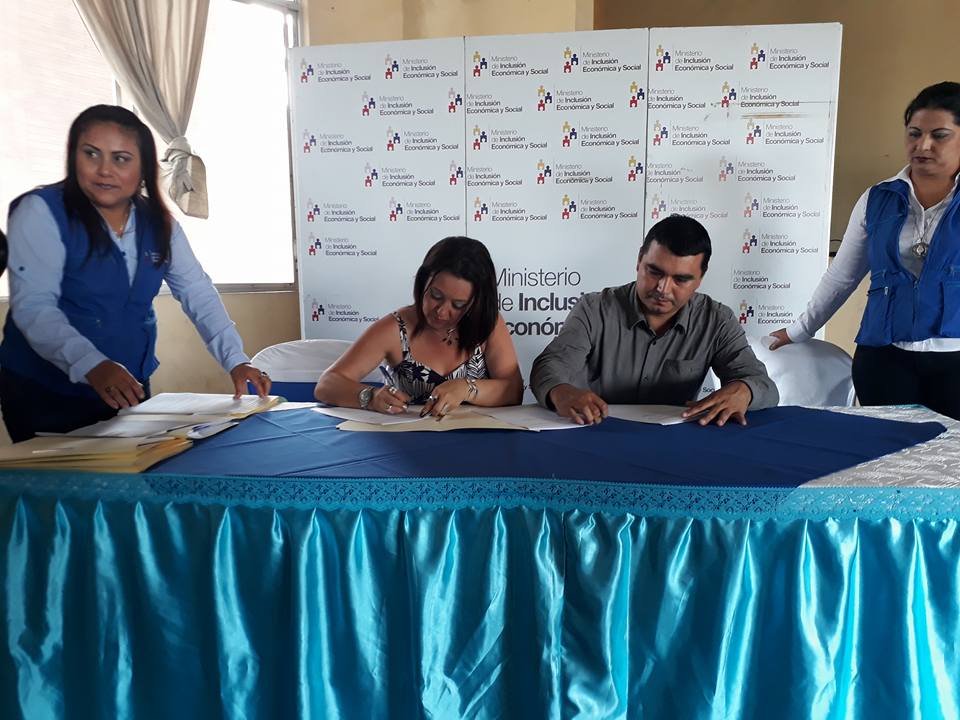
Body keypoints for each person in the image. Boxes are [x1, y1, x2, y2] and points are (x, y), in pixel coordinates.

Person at [0, 105, 270, 442]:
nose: (104, 170)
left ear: (143, 168)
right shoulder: (40, 212)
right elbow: (34, 307)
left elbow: (197, 292)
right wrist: (91, 363)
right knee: (65, 476)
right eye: (91, 154)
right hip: (45, 391)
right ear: (73, 156)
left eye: (121, 159)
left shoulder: (159, 224)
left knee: (135, 472)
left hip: (127, 385)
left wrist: (236, 360)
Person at [769, 82, 960, 420]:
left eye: (939, 135)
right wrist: (800, 329)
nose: (923, 145)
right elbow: (842, 276)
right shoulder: (877, 198)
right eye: (914, 133)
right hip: (883, 359)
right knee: (885, 450)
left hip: (954, 361)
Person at [530, 215, 778, 426]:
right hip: (594, 433)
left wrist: (745, 391)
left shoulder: (717, 320)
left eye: (681, 279)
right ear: (639, 260)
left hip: (673, 447)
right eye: (654, 272)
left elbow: (764, 385)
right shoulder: (594, 309)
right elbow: (551, 365)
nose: (663, 288)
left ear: (700, 278)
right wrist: (560, 392)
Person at [314, 236, 523, 417]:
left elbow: (513, 391)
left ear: (475, 303)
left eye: (458, 305)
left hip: (478, 440)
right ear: (423, 282)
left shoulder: (488, 323)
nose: (442, 312)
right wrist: (370, 397)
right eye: (436, 295)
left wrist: (467, 389)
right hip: (407, 442)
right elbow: (327, 384)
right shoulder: (395, 328)